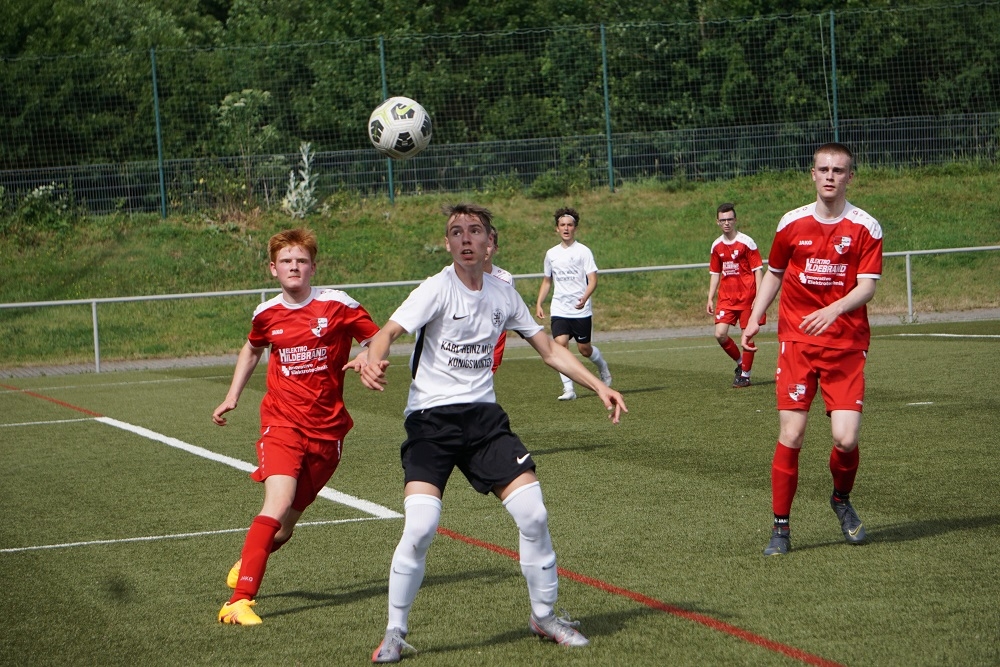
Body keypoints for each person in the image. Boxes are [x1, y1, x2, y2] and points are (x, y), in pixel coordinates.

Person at [353, 203, 627, 663]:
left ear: (488, 243)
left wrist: (599, 385)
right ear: (448, 244)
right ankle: (395, 632)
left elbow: (549, 350)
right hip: (431, 422)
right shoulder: (436, 288)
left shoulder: (503, 293)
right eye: (456, 231)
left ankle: (544, 616)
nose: (465, 238)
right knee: (420, 527)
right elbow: (389, 331)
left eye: (474, 231)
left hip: (484, 421)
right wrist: (373, 357)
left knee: (534, 515)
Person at [212, 228, 380, 625]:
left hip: (328, 431)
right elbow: (252, 348)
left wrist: (368, 356)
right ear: (273, 269)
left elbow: (377, 338)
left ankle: (251, 558)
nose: (294, 267)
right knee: (277, 502)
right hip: (282, 423)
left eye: (301, 261)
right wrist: (233, 395)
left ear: (313, 267)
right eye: (286, 261)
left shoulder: (338, 305)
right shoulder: (266, 313)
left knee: (284, 529)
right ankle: (238, 601)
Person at [741, 143, 883, 556]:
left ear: (850, 176)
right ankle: (780, 528)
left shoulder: (866, 227)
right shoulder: (791, 223)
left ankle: (840, 499)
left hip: (846, 343)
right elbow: (774, 273)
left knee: (845, 439)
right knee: (792, 432)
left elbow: (867, 287)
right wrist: (755, 316)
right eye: (823, 169)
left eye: (838, 170)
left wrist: (833, 310)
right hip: (798, 341)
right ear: (813, 174)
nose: (830, 176)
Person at [534, 207, 612, 400]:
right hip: (559, 308)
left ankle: (602, 366)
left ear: (575, 228)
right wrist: (539, 303)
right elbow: (547, 281)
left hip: (580, 310)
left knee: (584, 349)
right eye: (562, 225)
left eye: (569, 225)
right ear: (557, 228)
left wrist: (585, 297)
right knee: (559, 346)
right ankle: (568, 389)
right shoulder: (551, 254)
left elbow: (592, 280)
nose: (566, 228)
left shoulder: (583, 251)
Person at [706, 203, 765, 388]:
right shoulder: (716, 245)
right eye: (723, 220)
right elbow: (715, 272)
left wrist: (759, 296)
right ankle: (741, 363)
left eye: (729, 219)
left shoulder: (747, 242)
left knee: (747, 336)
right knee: (720, 334)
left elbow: (757, 270)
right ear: (717, 222)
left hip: (747, 297)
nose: (726, 223)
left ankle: (745, 375)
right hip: (726, 298)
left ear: (735, 220)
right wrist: (710, 297)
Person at [484, 225, 514, 373]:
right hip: (473, 332)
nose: (484, 249)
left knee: (490, 370)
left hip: (497, 333)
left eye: (488, 245)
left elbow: (510, 307)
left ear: (495, 248)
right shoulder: (461, 276)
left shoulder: (505, 278)